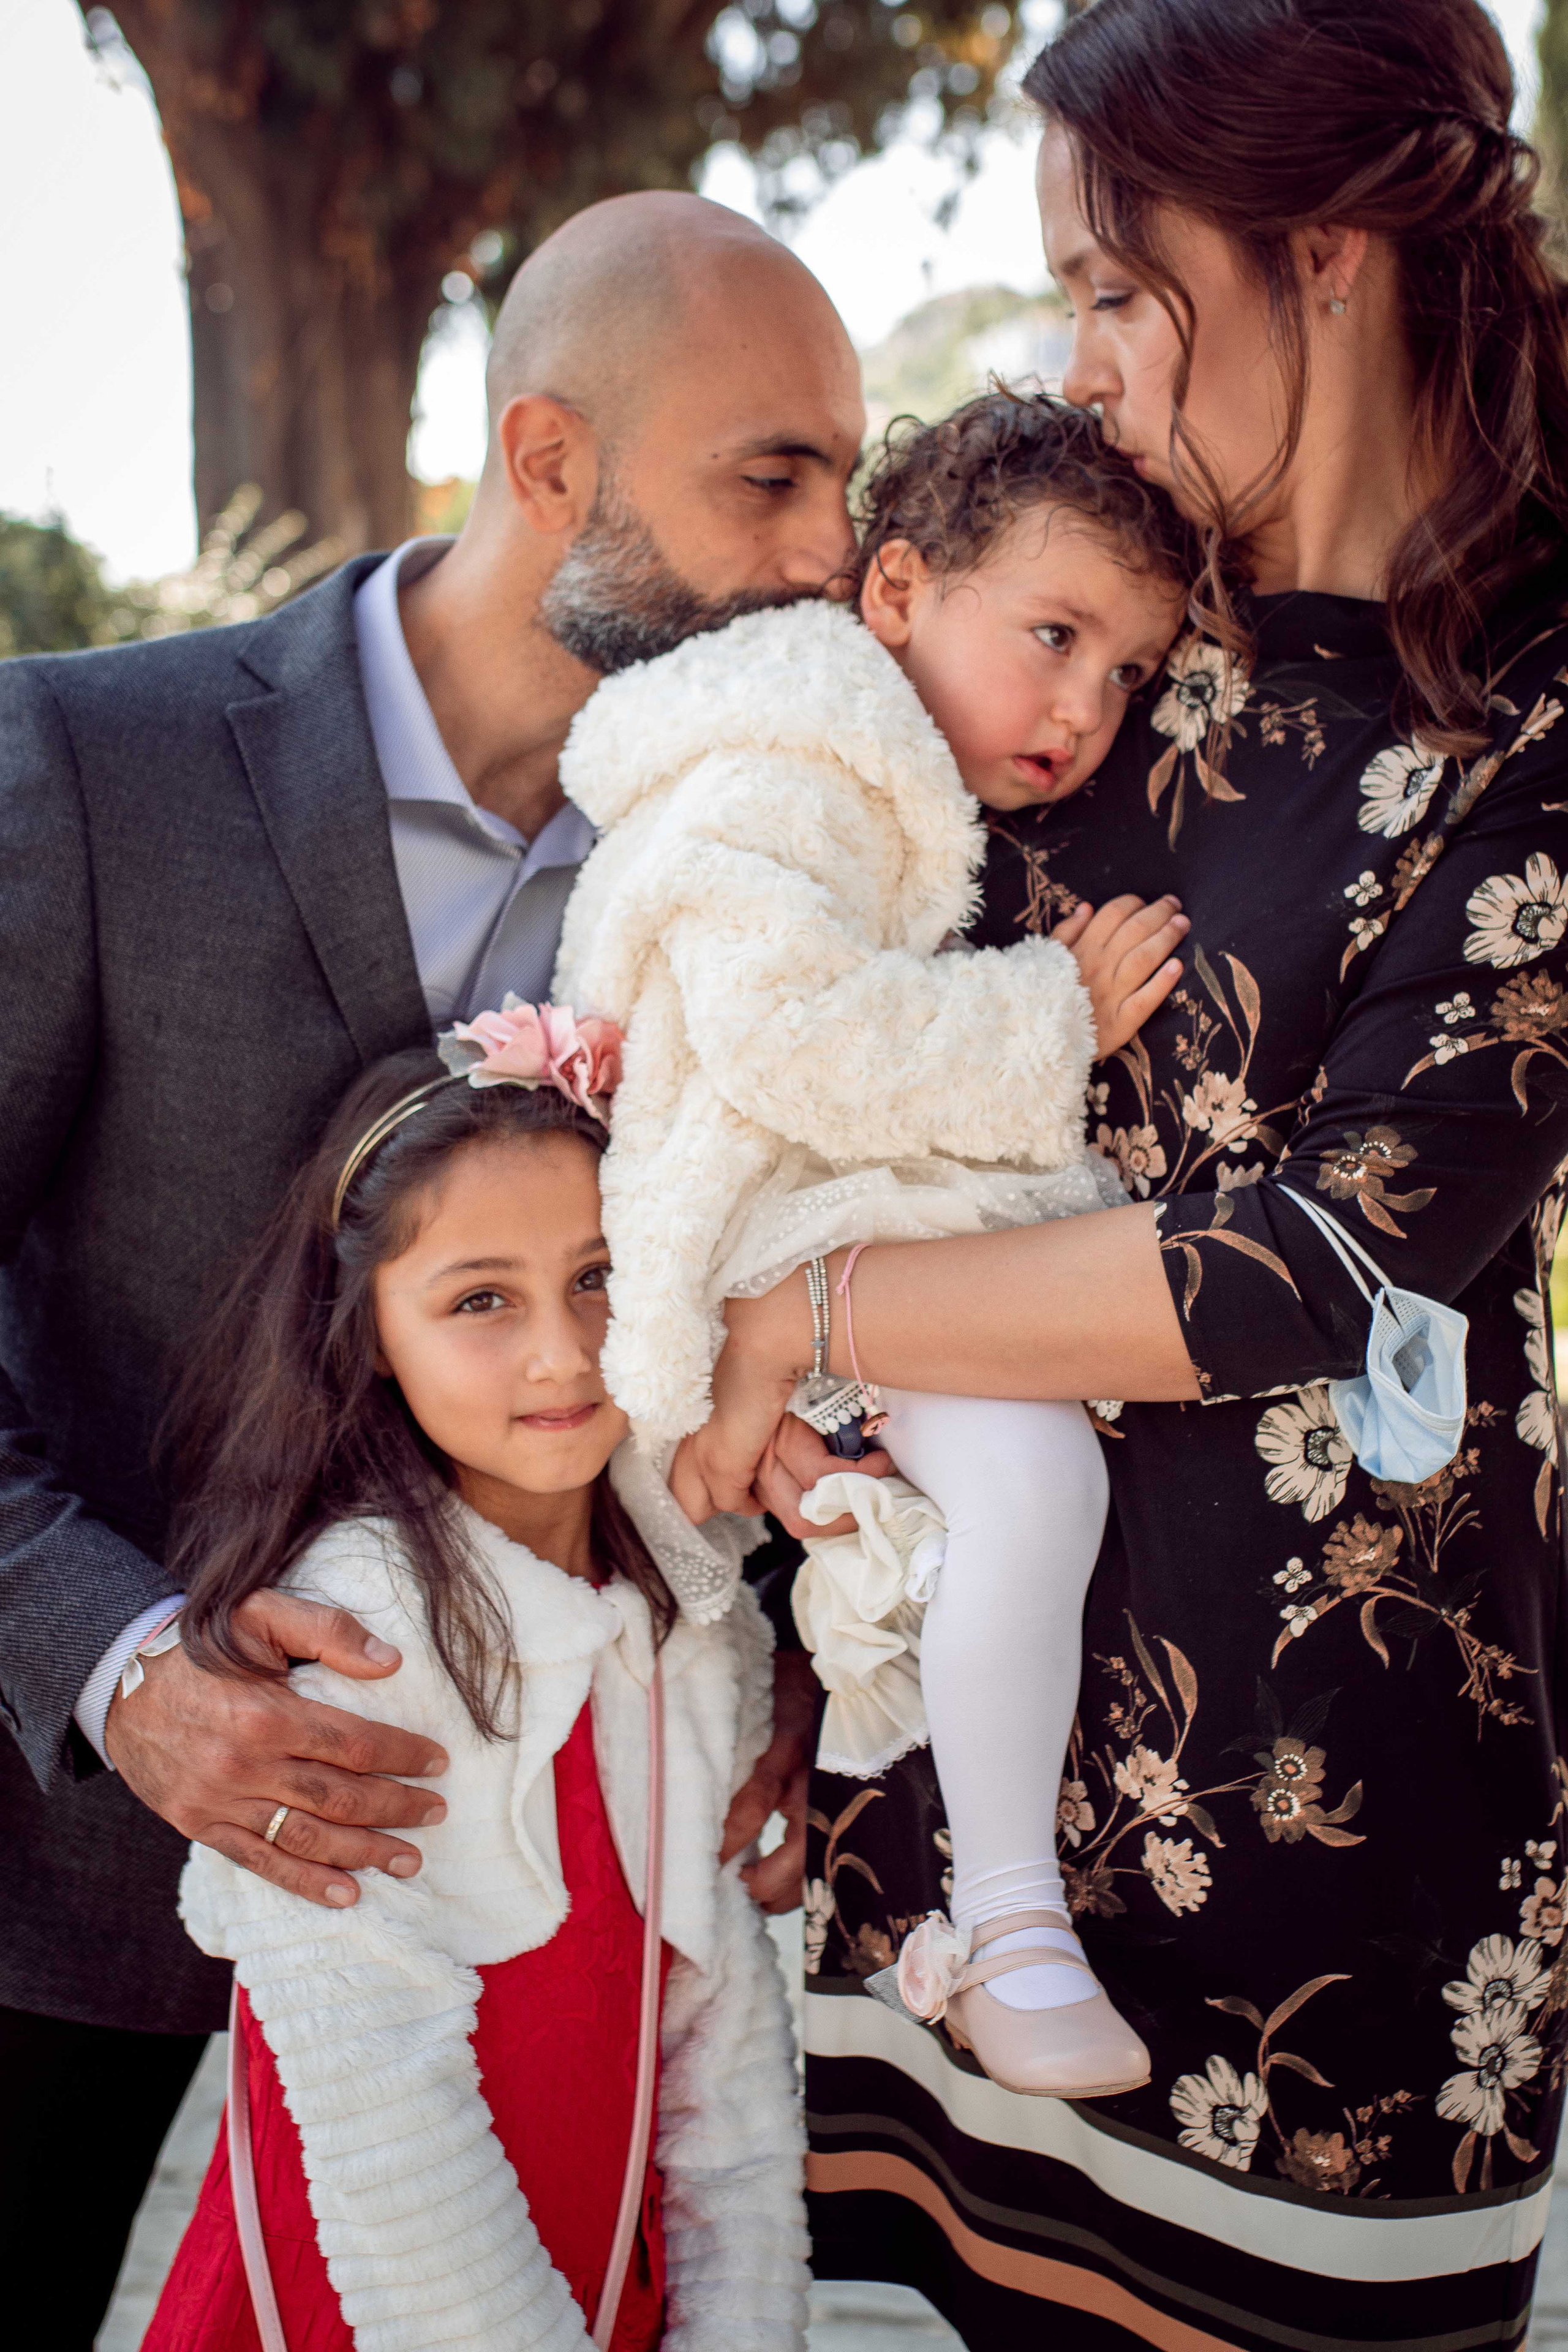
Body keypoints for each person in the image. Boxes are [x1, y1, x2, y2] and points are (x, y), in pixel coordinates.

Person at [677, 2, 1568, 2343]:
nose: (1076, 364)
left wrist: (819, 1311)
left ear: (1331, 249)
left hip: (1325, 1827)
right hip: (952, 1830)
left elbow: (1324, 1265)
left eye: (1110, 286)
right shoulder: (1086, 632)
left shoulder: (1544, 708)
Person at [0, 188, 859, 2342]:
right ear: (551, 459)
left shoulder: (750, 873)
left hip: (546, 1890)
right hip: (62, 1866)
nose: (832, 554)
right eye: (777, 477)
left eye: (844, 481)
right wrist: (120, 1673)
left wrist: (769, 1685)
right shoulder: (87, 760)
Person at [554, 389, 1191, 2101]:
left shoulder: (859, 762)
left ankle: (977, 1924)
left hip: (817, 1223)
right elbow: (784, 1042)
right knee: (1037, 1488)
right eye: (1056, 635)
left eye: (1129, 670)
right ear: (894, 591)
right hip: (768, 1228)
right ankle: (1005, 1927)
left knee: (1003, 1509)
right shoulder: (791, 773)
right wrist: (1048, 1010)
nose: (1085, 705)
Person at [139, 1044, 804, 2352]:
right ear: (369, 1333)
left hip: (612, 2266)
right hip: (390, 2297)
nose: (563, 1354)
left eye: (599, 1278)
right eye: (480, 1301)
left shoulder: (684, 1601)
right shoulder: (363, 1630)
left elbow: (716, 2028)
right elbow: (373, 2085)